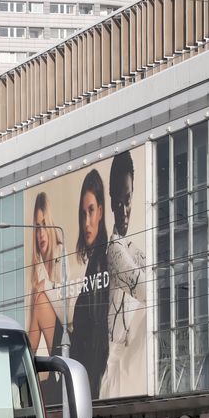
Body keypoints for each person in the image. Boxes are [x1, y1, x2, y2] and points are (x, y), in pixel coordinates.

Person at [101, 151, 147, 399]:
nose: (124, 209)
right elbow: (148, 290)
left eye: (127, 199)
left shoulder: (130, 248)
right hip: (119, 371)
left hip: (128, 367)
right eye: (118, 202)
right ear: (110, 202)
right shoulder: (115, 251)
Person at [72, 169, 110, 399]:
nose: (87, 222)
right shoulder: (95, 261)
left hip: (89, 387)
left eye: (91, 210)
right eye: (82, 213)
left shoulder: (99, 263)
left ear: (101, 212)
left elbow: (97, 333)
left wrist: (90, 390)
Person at [27, 191, 68, 362]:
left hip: (65, 334)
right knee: (39, 301)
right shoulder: (37, 267)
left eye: (44, 225)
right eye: (37, 227)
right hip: (50, 342)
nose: (41, 233)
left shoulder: (61, 252)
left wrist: (44, 287)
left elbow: (65, 306)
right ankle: (27, 360)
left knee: (41, 299)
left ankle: (23, 361)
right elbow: (32, 320)